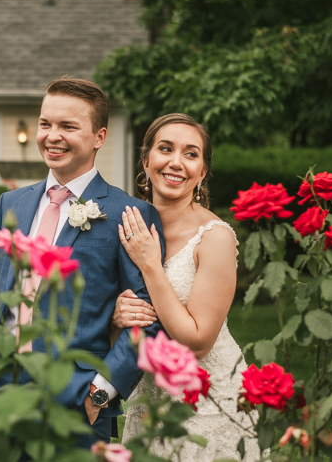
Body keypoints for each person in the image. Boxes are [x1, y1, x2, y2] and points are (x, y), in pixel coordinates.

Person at [0, 78, 165, 446]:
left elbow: (148, 319)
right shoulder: (11, 204)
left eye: (68, 126)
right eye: (46, 124)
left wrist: (99, 394)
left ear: (99, 137)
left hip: (75, 402)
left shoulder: (130, 213)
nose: (52, 136)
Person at [113, 113, 261, 461]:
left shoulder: (215, 238)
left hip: (208, 405)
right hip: (148, 401)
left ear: (202, 172)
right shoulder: (128, 225)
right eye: (166, 149)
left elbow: (197, 341)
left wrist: (151, 265)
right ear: (146, 161)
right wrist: (117, 315)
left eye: (191, 154)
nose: (176, 162)